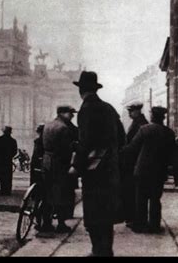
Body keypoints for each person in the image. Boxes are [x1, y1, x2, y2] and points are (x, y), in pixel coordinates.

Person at [69, 71, 124, 257]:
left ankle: (97, 251)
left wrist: (76, 165)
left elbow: (85, 142)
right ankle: (106, 250)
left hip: (93, 170)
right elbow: (122, 137)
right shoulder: (109, 108)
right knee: (106, 212)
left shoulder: (86, 109)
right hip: (111, 168)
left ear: (81, 90)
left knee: (93, 211)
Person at [122, 106, 176, 234]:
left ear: (152, 116)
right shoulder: (169, 132)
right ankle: (154, 225)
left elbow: (132, 148)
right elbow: (172, 153)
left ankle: (140, 225)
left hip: (142, 170)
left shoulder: (144, 130)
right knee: (155, 198)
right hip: (159, 171)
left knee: (140, 198)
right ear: (163, 117)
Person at [39, 105, 78, 235]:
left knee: (46, 193)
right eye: (70, 113)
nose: (72, 116)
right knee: (62, 194)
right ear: (62, 113)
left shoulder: (47, 125)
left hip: (46, 161)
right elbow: (66, 150)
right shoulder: (64, 128)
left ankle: (46, 223)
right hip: (59, 163)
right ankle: (61, 224)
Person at [120, 102, 149, 228]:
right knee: (131, 191)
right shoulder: (137, 122)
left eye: (131, 111)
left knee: (134, 192)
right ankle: (132, 217)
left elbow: (135, 145)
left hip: (135, 162)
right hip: (132, 162)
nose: (129, 113)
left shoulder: (141, 124)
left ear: (138, 111)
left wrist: (121, 151)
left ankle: (135, 218)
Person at [0, 126, 18, 195]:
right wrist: (10, 156)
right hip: (8, 160)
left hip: (1, 160)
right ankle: (8, 190)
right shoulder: (13, 141)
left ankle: (2, 190)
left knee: (2, 175)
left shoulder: (0, 139)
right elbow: (15, 151)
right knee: (8, 175)